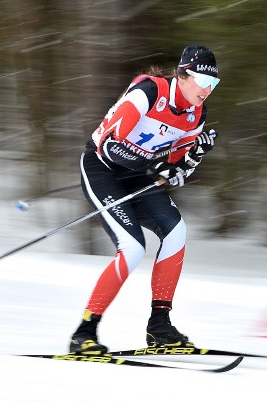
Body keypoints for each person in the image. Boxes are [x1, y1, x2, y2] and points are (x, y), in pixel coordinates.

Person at [70, 45, 220, 354]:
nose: (207, 90)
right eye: (203, 80)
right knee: (133, 248)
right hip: (102, 169)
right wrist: (154, 166)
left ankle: (160, 326)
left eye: (214, 84)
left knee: (176, 232)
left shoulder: (197, 114)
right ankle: (84, 332)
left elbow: (176, 170)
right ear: (182, 75)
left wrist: (194, 157)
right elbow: (111, 147)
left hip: (136, 176)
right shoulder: (148, 92)